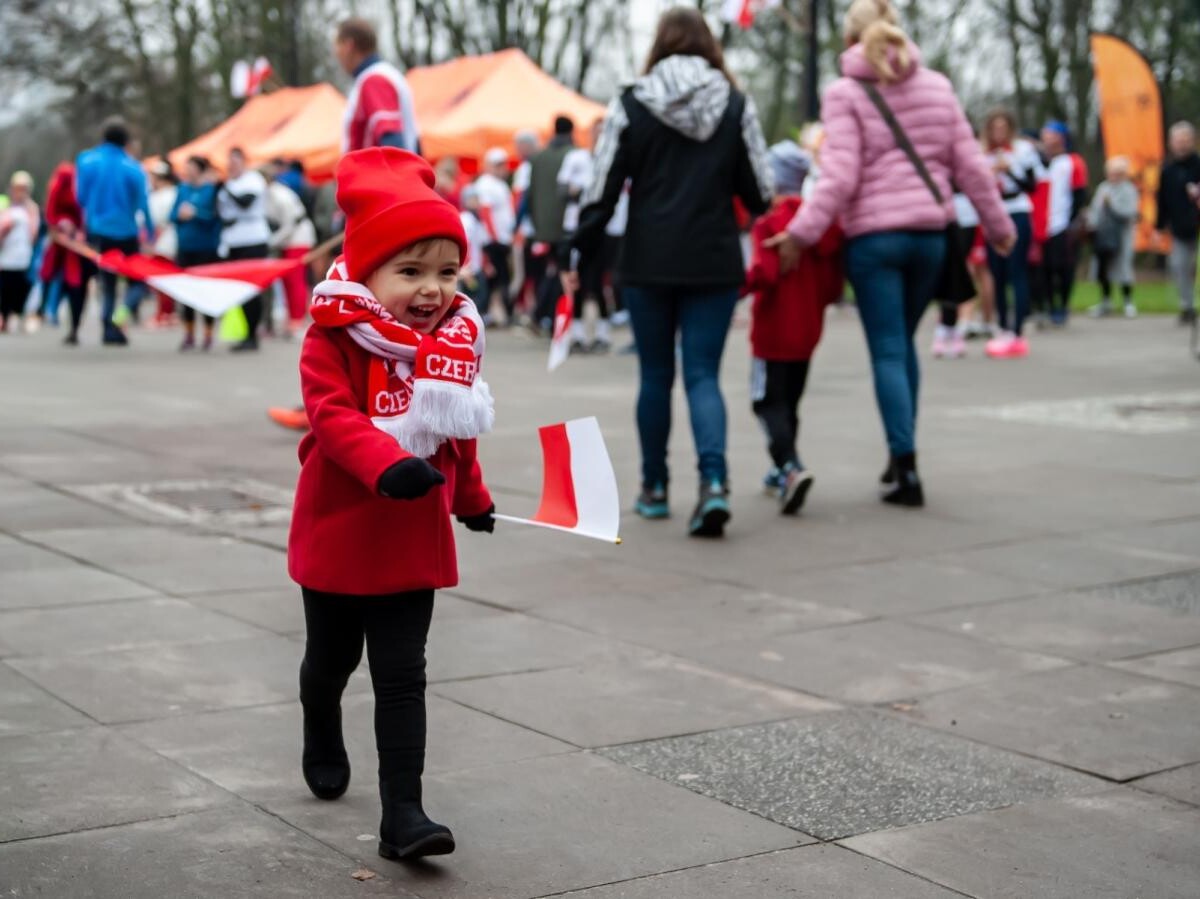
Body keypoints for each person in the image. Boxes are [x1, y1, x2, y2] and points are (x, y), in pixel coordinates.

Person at [288, 147, 495, 862]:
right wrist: (389, 463)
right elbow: (333, 419)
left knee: (403, 674)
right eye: (411, 272)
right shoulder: (331, 338)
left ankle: (403, 813)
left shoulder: (451, 343)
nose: (433, 290)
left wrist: (472, 497)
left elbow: (455, 428)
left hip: (411, 533)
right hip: (344, 528)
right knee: (332, 660)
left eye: (446, 271)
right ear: (370, 274)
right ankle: (320, 719)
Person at [765, 0, 1014, 508]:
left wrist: (800, 233)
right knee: (903, 343)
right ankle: (903, 453)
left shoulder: (845, 92)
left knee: (887, 349)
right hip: (930, 236)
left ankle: (906, 465)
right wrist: (1000, 226)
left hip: (875, 241)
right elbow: (970, 165)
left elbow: (839, 177)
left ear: (850, 38)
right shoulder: (937, 86)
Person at [568, 7, 774, 537]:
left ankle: (654, 488)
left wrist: (577, 256)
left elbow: (601, 191)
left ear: (658, 44)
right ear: (709, 45)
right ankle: (713, 484)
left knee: (655, 376)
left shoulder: (631, 103)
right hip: (713, 258)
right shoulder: (735, 103)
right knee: (703, 374)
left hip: (648, 260)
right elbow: (761, 192)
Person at [746, 141, 842, 514]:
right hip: (807, 330)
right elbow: (834, 284)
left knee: (766, 403)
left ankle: (789, 466)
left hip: (771, 332)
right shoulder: (820, 226)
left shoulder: (770, 224)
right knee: (790, 403)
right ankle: (780, 469)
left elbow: (765, 274)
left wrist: (734, 287)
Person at [75, 116, 154, 345]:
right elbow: (142, 203)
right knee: (138, 281)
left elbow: (80, 197)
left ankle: (108, 327)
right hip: (126, 231)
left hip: (98, 230)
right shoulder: (133, 167)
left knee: (107, 282)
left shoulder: (86, 161)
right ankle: (121, 314)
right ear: (126, 141)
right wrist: (148, 233)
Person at [980, 108, 1041, 359]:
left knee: (1017, 271)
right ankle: (1003, 327)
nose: (998, 132)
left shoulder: (1023, 151)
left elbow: (1032, 185)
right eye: (994, 128)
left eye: (1003, 127)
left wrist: (1009, 171)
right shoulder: (981, 153)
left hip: (1017, 211)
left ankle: (1017, 331)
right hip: (993, 213)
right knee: (997, 272)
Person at [560, 121, 614, 352]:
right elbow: (563, 189)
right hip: (578, 227)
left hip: (604, 229)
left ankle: (602, 333)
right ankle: (579, 334)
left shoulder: (612, 159)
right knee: (578, 282)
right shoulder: (577, 158)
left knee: (600, 283)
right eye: (597, 132)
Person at [335, 18, 420, 154]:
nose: (336, 53)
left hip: (375, 175)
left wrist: (395, 174)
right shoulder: (383, 75)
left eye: (337, 45)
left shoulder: (374, 80)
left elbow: (393, 142)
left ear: (348, 45)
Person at [217, 146, 271, 351]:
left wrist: (226, 187)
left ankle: (253, 333)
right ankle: (245, 332)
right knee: (238, 289)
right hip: (232, 239)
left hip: (252, 238)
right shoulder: (229, 183)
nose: (231, 165)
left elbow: (245, 203)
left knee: (252, 289)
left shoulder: (252, 180)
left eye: (235, 160)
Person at [526, 116, 577, 330]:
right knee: (563, 272)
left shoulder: (538, 158)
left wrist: (537, 224)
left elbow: (531, 193)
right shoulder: (574, 155)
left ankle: (542, 315)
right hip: (567, 226)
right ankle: (548, 315)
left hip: (543, 226)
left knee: (552, 270)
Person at [1037, 120, 1088, 326]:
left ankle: (1063, 305)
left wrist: (1070, 221)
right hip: (1041, 226)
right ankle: (1050, 306)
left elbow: (1080, 194)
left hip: (1062, 225)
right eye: (1045, 134)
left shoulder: (1073, 162)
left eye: (1051, 134)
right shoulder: (1039, 162)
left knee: (1063, 267)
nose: (1047, 138)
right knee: (1045, 268)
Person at [172, 155, 222, 351]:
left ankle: (208, 334)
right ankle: (189, 333)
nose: (188, 170)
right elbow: (172, 215)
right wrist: (179, 215)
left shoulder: (211, 190)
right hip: (185, 247)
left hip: (206, 248)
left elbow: (215, 218)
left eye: (191, 166)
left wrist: (196, 214)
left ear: (200, 169)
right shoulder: (182, 189)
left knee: (205, 292)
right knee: (186, 293)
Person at [1156, 121, 1200, 325]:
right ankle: (1187, 306)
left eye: (1186, 140)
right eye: (1178, 140)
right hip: (1179, 227)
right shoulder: (1167, 169)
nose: (1182, 144)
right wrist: (1159, 226)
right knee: (1179, 267)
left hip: (1197, 226)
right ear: (1171, 143)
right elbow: (1161, 200)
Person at [38, 164, 87, 345]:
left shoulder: (70, 188)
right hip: (67, 245)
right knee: (67, 283)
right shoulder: (65, 189)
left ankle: (51, 312)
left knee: (68, 283)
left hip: (75, 246)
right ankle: (52, 313)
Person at [266, 167, 317, 337]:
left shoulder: (280, 196)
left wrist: (273, 241)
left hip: (297, 239)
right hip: (287, 240)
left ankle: (298, 320)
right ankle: (291, 319)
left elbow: (289, 224)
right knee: (288, 281)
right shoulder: (270, 195)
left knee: (295, 280)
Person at [1088, 156, 1140, 318]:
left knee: (1124, 268)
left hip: (1122, 235)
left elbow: (1130, 213)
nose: (1113, 176)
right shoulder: (1103, 188)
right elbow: (1095, 210)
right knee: (1103, 269)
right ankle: (1105, 301)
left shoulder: (1129, 189)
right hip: (1104, 236)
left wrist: (1112, 205)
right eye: (1111, 173)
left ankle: (1128, 302)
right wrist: (1091, 225)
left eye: (1117, 173)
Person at [472, 148, 516, 324]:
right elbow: (485, 212)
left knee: (500, 278)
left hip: (502, 238)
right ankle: (490, 312)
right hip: (493, 240)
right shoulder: (486, 184)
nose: (502, 168)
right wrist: (494, 236)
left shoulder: (500, 184)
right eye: (498, 165)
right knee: (496, 278)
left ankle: (494, 312)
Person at [0, 171, 38, 333]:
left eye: (23, 188)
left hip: (22, 257)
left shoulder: (31, 209)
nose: (20, 192)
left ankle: (13, 315)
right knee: (4, 287)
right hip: (5, 256)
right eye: (17, 188)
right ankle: (4, 316)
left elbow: (33, 233)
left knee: (18, 287)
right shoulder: (5, 205)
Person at [148, 160, 180, 326]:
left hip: (165, 242)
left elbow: (154, 219)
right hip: (163, 241)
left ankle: (166, 313)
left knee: (164, 280)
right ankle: (166, 312)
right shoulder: (170, 193)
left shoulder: (164, 196)